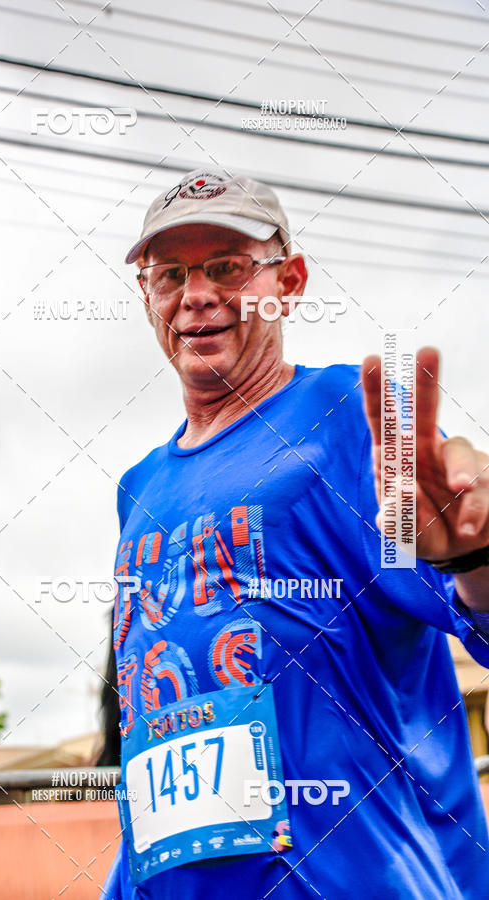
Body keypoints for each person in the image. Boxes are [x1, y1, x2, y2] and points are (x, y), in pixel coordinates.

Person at [100, 168, 489, 899]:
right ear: (147, 295)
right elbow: (154, 732)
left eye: (227, 266)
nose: (197, 294)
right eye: (169, 274)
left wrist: (474, 551)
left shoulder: (348, 415)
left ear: (289, 281)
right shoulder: (138, 488)